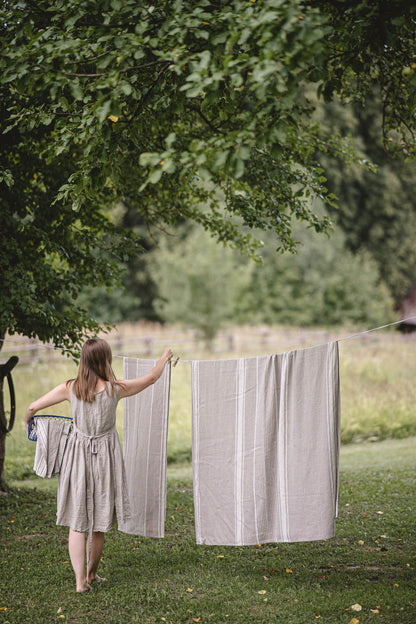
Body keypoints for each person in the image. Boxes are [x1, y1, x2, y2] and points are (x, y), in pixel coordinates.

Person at [25, 337, 173, 593]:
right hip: (105, 455)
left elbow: (32, 406)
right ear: (105, 359)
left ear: (83, 360)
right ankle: (91, 575)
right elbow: (150, 379)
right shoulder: (115, 389)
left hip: (77, 455)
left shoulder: (69, 388)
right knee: (99, 519)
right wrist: (164, 357)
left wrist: (28, 422)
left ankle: (80, 582)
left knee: (77, 520)